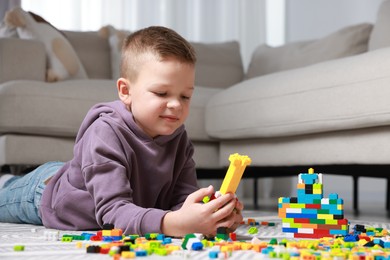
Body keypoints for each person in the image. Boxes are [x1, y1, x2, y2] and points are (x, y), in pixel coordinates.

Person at [0, 26, 244, 237]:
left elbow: (181, 202)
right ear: (125, 91)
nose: (176, 105)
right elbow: (112, 212)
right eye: (161, 93)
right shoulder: (105, 133)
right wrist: (172, 223)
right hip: (46, 192)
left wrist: (210, 212)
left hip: (87, 173)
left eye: (185, 96)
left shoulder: (179, 138)